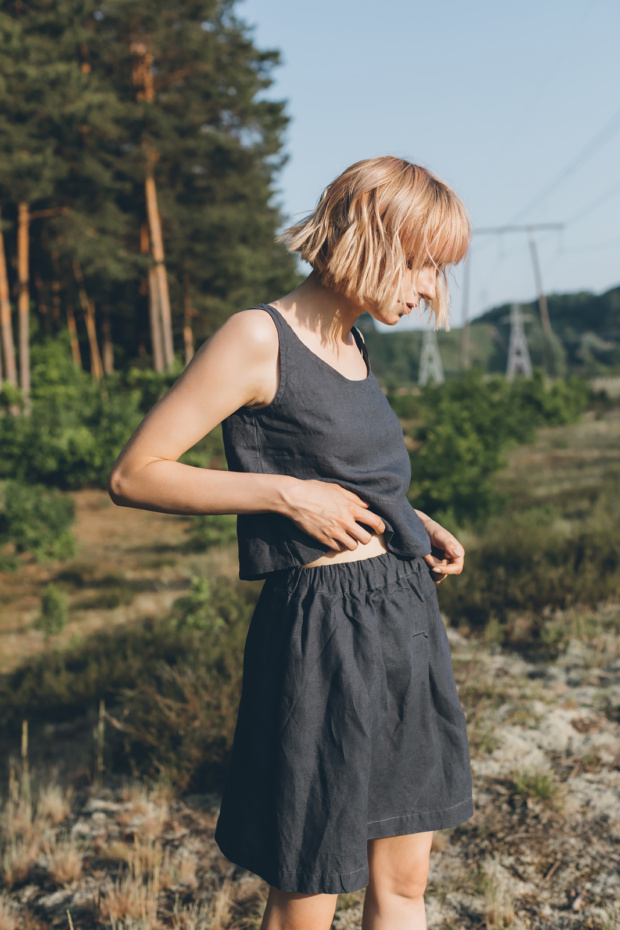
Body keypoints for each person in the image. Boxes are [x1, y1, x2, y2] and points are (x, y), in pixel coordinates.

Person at [108, 155, 474, 930]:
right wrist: (283, 495)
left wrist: (415, 520)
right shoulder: (257, 336)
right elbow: (137, 474)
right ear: (375, 237)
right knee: (310, 889)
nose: (429, 288)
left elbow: (346, 473)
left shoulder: (355, 343)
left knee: (405, 881)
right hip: (322, 634)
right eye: (423, 264)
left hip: (403, 618)